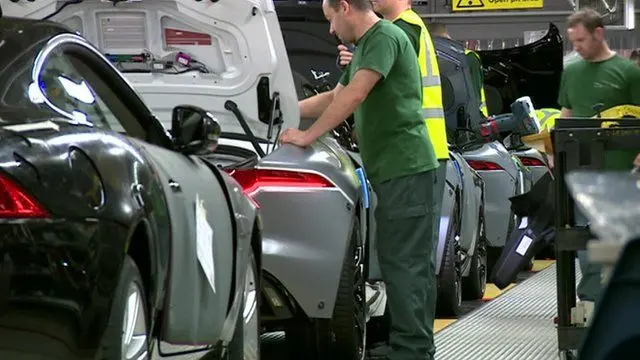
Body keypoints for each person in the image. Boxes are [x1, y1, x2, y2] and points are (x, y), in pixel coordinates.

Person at [279, 0, 441, 359]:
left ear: (346, 7)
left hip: (407, 168)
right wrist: (283, 108)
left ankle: (412, 351)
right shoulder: (368, 44)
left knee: (406, 267)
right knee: (401, 263)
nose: (331, 30)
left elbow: (355, 94)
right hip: (395, 170)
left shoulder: (385, 35)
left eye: (331, 19)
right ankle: (411, 346)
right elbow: (335, 95)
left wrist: (307, 137)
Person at [558, 8, 640, 307]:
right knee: (586, 244)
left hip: (622, 173)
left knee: (616, 243)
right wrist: (555, 153)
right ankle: (591, 304)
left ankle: (618, 302)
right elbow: (566, 115)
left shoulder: (629, 72)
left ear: (599, 33)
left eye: (581, 40)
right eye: (573, 42)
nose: (576, 47)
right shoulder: (572, 71)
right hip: (583, 173)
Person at [427, 22, 488, 117]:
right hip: (462, 116)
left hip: (468, 116)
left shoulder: (468, 57)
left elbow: (474, 95)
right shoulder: (467, 56)